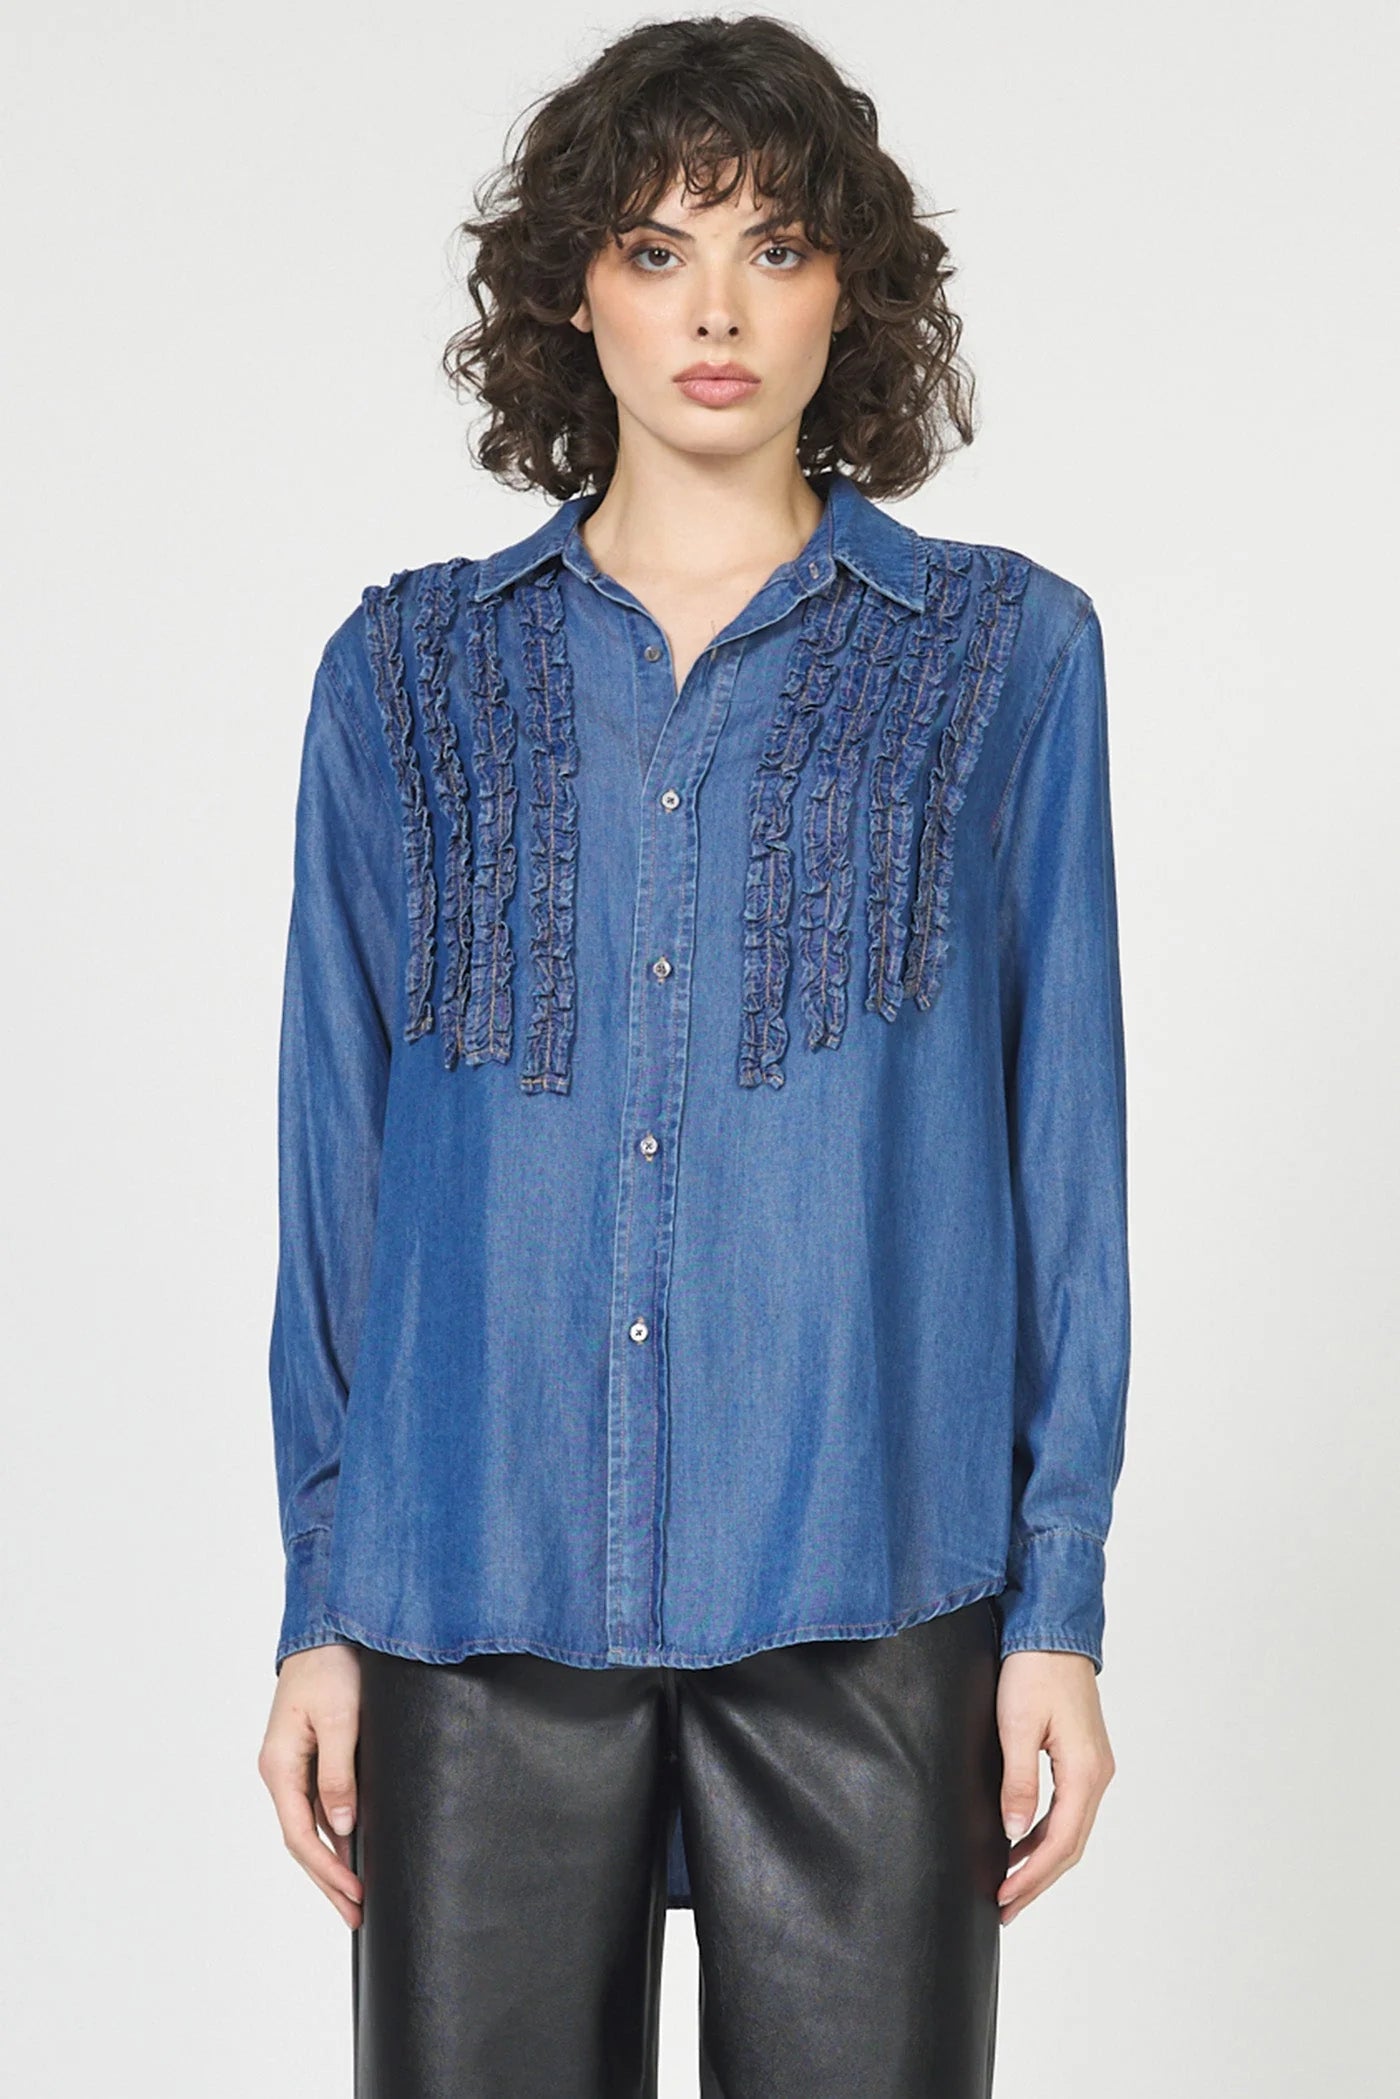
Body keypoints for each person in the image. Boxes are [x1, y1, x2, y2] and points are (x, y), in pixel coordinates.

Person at [256, 16, 1130, 2097]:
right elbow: (336, 1163)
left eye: (776, 247)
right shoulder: (406, 675)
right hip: (471, 1591)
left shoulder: (1006, 659)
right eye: (657, 251)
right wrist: (317, 1603)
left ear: (853, 293)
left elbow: (1065, 1158)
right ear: (573, 292)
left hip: (870, 1583)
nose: (717, 311)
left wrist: (1058, 1611)